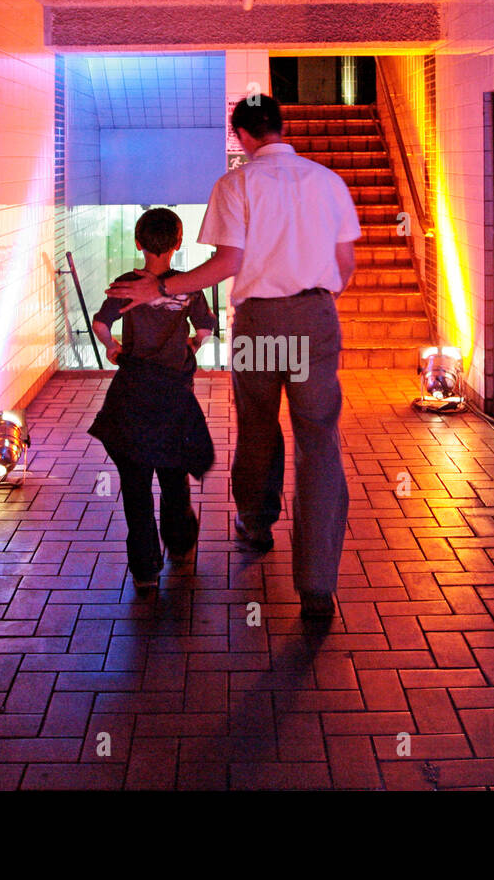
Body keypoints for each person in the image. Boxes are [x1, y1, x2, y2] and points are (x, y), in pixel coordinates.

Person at [107, 95, 360, 621]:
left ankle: (256, 520)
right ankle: (317, 585)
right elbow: (345, 262)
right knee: (319, 443)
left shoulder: (237, 184)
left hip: (260, 324)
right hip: (315, 317)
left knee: (260, 426)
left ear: (242, 135)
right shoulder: (327, 182)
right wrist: (312, 301)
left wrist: (161, 288)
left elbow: (228, 262)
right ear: (279, 127)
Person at [89, 208, 217, 591]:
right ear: (178, 243)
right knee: (174, 474)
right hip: (174, 396)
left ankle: (145, 569)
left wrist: (112, 347)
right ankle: (179, 545)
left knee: (135, 481)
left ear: (138, 243)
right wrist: (192, 343)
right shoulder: (187, 286)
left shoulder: (126, 283)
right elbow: (207, 328)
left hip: (133, 392)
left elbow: (100, 323)